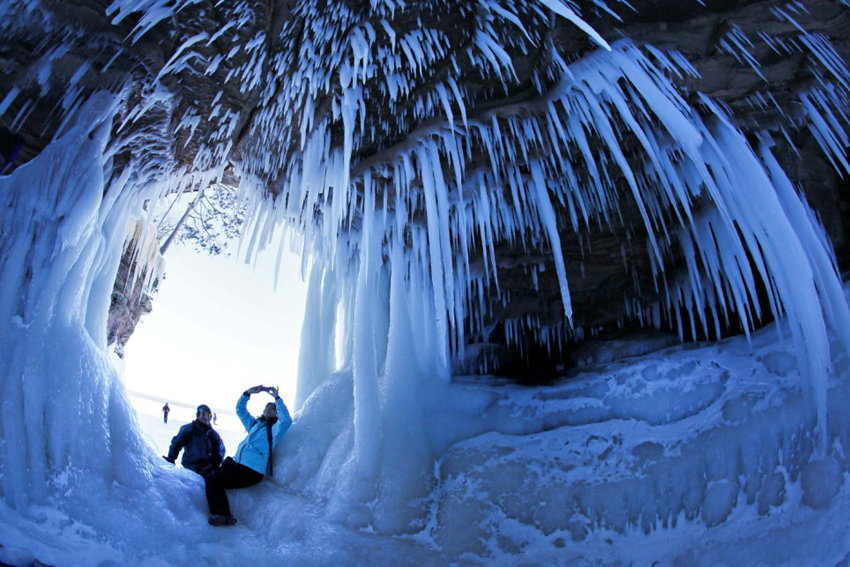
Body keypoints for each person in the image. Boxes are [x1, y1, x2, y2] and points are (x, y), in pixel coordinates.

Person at [205, 385, 292, 526]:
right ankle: (222, 513)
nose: (268, 409)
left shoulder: (275, 430)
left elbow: (286, 421)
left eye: (272, 408)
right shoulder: (255, 425)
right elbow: (240, 410)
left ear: (276, 414)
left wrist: (277, 398)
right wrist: (247, 393)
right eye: (266, 408)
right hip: (239, 465)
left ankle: (223, 514)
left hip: (251, 471)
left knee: (213, 479)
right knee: (211, 476)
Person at [164, 404, 225, 477]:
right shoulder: (188, 430)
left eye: (209, 415)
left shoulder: (213, 435)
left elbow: (221, 450)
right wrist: (171, 458)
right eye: (203, 414)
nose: (206, 417)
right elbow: (176, 443)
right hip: (190, 468)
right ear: (198, 415)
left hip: (208, 469)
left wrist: (215, 463)